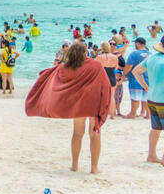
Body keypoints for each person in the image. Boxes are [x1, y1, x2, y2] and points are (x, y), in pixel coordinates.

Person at [25, 42, 111, 174]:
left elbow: (53, 76)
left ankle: (74, 165)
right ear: (85, 52)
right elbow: (105, 85)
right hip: (93, 102)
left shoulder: (65, 67)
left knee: (77, 134)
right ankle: (94, 168)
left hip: (78, 105)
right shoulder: (96, 65)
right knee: (95, 134)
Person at [130, 37, 164, 164]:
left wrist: (145, 86)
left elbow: (136, 71)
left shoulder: (152, 58)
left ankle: (152, 155)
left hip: (152, 98)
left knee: (156, 128)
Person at [124, 37, 151, 119]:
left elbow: (129, 66)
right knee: (146, 98)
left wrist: (124, 75)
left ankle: (133, 113)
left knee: (135, 97)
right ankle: (148, 115)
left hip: (135, 79)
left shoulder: (134, 54)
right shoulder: (151, 54)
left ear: (137, 44)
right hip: (147, 78)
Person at [96, 42, 120, 118]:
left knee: (101, 97)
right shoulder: (115, 57)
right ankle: (112, 115)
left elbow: (96, 68)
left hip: (103, 77)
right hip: (112, 77)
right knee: (111, 97)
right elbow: (116, 67)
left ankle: (102, 114)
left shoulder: (99, 57)